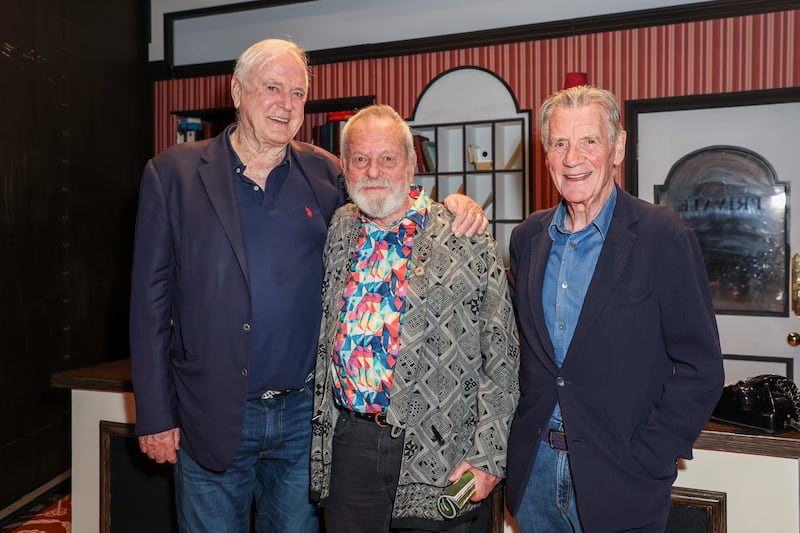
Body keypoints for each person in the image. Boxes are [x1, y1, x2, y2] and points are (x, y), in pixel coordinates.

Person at [129, 40, 487, 533]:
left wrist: (452, 208)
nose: (286, 103)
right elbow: (148, 305)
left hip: (304, 419)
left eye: (297, 93)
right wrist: (154, 414)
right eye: (272, 88)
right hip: (209, 411)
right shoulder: (173, 174)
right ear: (237, 91)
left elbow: (385, 199)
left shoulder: (324, 172)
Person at [504, 85, 724, 532]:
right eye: (559, 144)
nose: (572, 158)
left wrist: (650, 455)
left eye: (589, 141)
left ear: (617, 148)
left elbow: (701, 368)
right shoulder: (527, 238)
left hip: (622, 482)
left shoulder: (663, 236)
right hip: (535, 478)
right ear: (546, 156)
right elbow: (513, 349)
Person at [309, 104, 520, 533]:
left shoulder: (465, 236)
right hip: (350, 445)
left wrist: (488, 456)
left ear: (411, 164)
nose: (374, 171)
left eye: (387, 157)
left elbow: (503, 358)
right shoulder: (339, 230)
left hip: (440, 450)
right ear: (345, 167)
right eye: (361, 159)